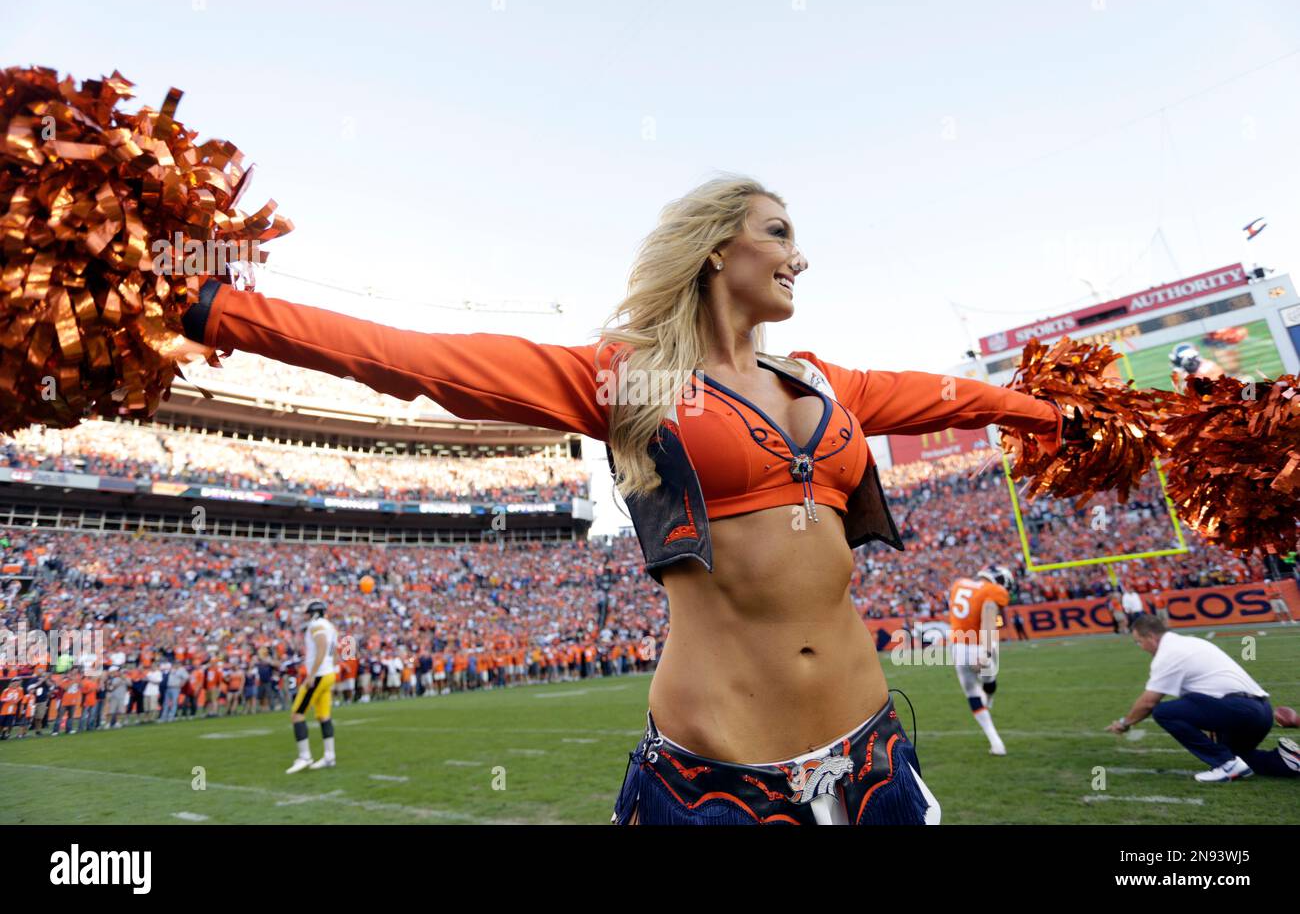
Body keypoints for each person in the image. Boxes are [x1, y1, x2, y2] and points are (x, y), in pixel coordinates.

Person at [176, 176, 1067, 824]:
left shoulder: (831, 383)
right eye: (779, 232)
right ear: (720, 249)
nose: (801, 255)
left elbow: (956, 397)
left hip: (873, 761)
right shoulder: (626, 381)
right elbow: (418, 361)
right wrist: (213, 308)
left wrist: (1064, 414)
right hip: (721, 785)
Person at [1106, 614, 1299, 782]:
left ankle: (1225, 765)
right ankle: (1287, 760)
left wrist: (1125, 723)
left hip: (1241, 710)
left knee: (1164, 712)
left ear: (1151, 637)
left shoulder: (1168, 654)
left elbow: (1148, 702)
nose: (1140, 647)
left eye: (1139, 641)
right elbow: (1200, 697)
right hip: (1261, 711)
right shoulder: (1191, 642)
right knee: (1241, 757)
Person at [948, 566, 1012, 756]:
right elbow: (989, 616)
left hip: (958, 647)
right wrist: (986, 651)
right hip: (977, 645)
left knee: (972, 694)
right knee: (989, 679)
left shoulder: (958, 583)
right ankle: (990, 698)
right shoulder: (994, 591)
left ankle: (996, 742)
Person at [285, 600, 339, 774]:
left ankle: (304, 756)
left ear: (315, 613)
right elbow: (334, 652)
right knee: (324, 715)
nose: (306, 616)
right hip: (328, 673)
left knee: (297, 714)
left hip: (319, 675)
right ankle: (329, 756)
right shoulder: (330, 625)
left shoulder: (317, 625)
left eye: (308, 612)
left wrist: (311, 674)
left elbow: (322, 646)